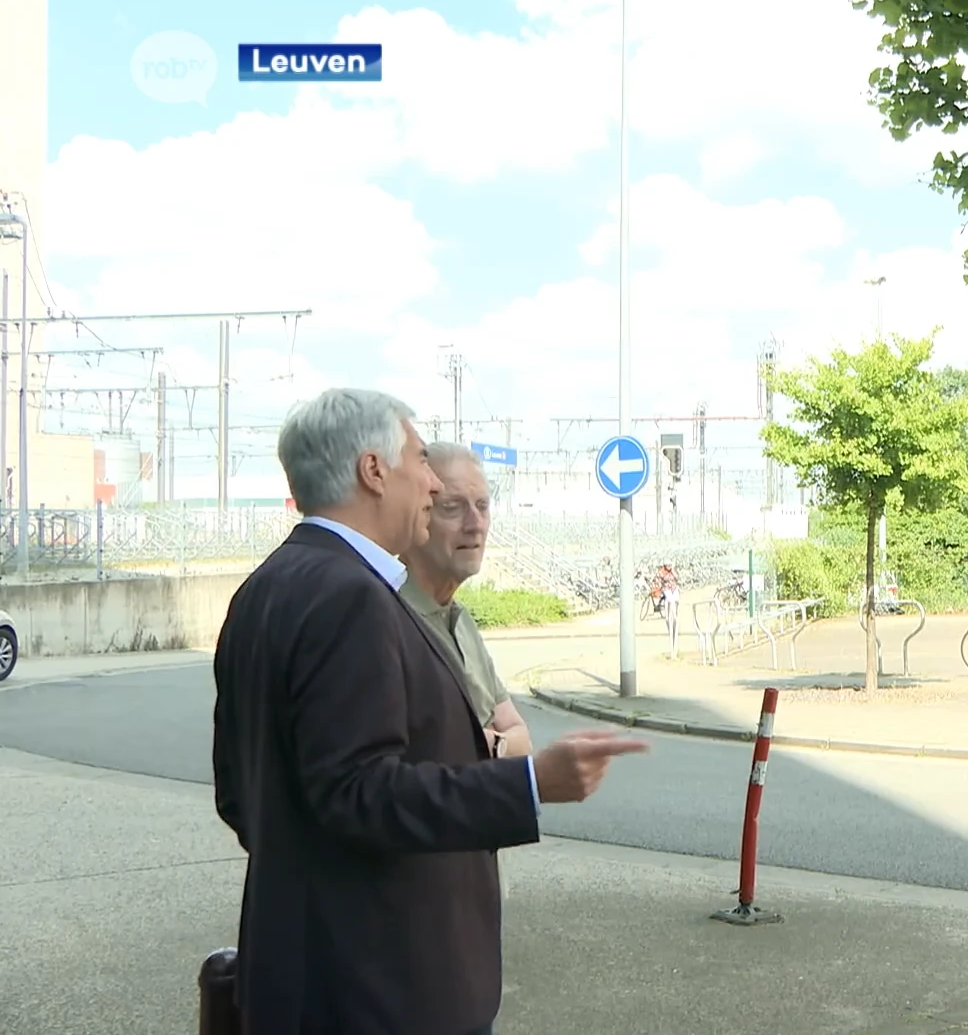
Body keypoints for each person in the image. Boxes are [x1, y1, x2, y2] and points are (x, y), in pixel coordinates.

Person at [211, 388, 648, 1035]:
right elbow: (357, 791)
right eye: (421, 461)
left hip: (304, 972)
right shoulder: (351, 599)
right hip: (382, 986)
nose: (429, 480)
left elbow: (239, 795)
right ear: (373, 470)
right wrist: (528, 783)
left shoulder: (267, 587)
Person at [399, 442, 530, 758]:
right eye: (452, 507)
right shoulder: (387, 621)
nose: (475, 524)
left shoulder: (460, 620)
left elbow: (522, 737)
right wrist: (497, 744)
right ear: (416, 515)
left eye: (482, 506)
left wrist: (483, 745)